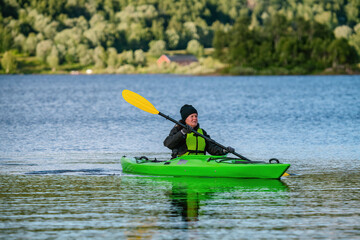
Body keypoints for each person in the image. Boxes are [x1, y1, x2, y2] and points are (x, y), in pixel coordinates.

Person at [164, 104, 235, 158]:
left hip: (200, 161)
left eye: (196, 116)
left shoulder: (202, 132)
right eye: (192, 116)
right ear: (185, 119)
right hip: (182, 161)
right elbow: (168, 143)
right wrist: (183, 132)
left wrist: (224, 150)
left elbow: (212, 148)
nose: (195, 118)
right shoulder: (178, 129)